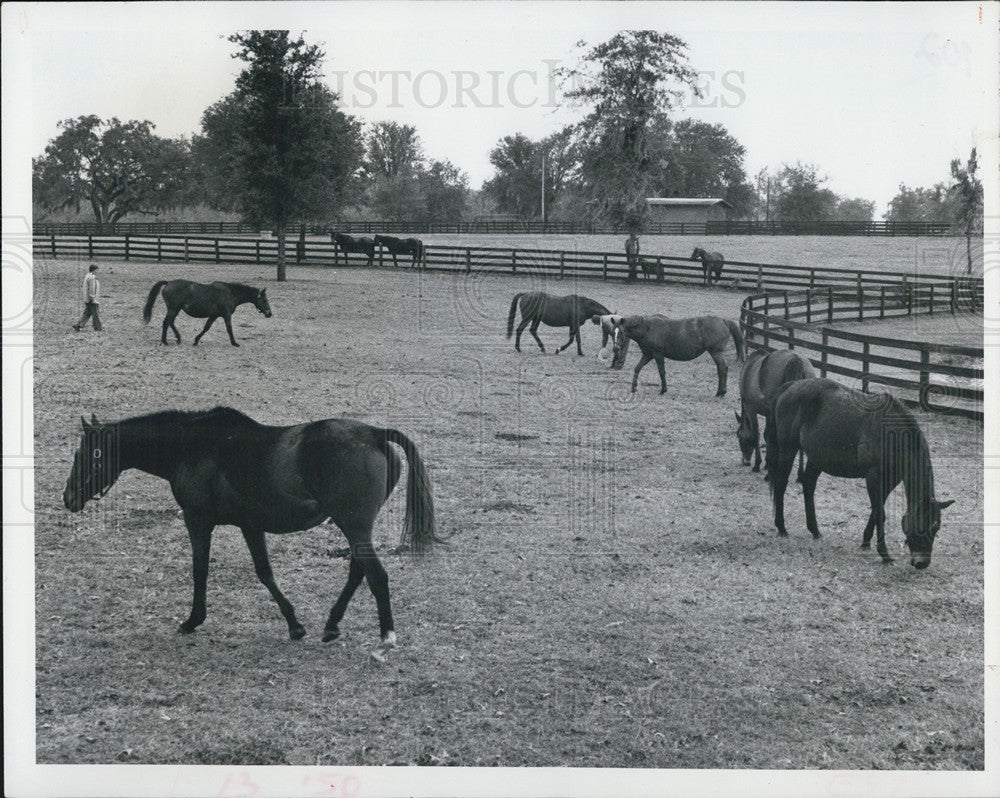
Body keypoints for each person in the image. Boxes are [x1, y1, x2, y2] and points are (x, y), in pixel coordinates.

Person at [73, 264, 102, 331]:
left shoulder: (88, 276)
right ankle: (98, 327)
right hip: (92, 299)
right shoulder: (92, 278)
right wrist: (92, 297)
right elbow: (91, 288)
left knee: (87, 313)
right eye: (97, 270)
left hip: (88, 298)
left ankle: (79, 325)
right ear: (94, 270)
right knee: (95, 314)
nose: (98, 272)